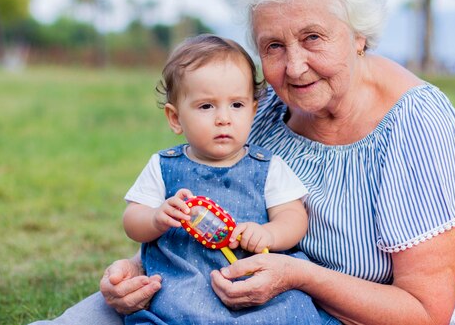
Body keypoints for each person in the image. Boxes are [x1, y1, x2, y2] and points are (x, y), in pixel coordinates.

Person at [30, 0, 455, 325]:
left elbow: (424, 314)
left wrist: (297, 276)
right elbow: (208, 208)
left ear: (359, 36)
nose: (295, 67)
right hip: (227, 297)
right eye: (273, 46)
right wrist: (133, 272)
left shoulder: (417, 129)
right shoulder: (264, 106)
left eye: (313, 38)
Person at [120, 34, 319, 324]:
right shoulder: (163, 166)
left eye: (236, 105)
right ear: (175, 118)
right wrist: (155, 219)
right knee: (168, 313)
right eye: (206, 106)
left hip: (255, 282)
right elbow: (132, 219)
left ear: (253, 110)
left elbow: (294, 216)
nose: (223, 118)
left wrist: (271, 234)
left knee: (289, 309)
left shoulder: (268, 167)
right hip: (185, 283)